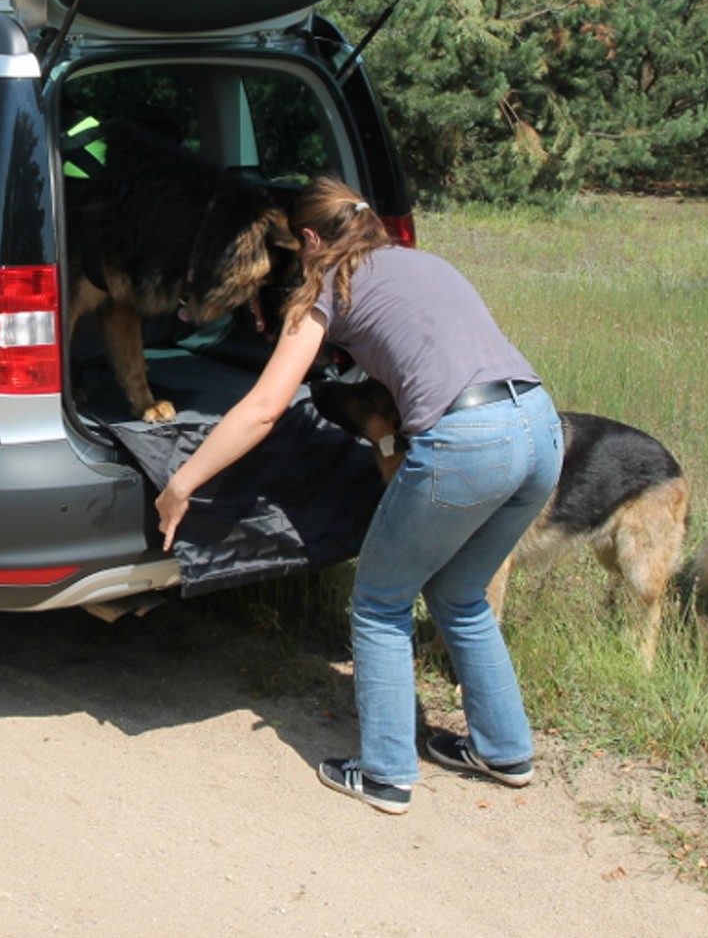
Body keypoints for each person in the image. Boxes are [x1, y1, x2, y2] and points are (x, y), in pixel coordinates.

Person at [156, 177, 563, 815]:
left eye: (296, 250)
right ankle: (505, 751)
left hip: (468, 441)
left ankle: (385, 774)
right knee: (460, 595)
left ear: (311, 239)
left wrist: (182, 483)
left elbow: (264, 408)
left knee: (379, 602)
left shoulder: (327, 287)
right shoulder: (425, 263)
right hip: (540, 426)